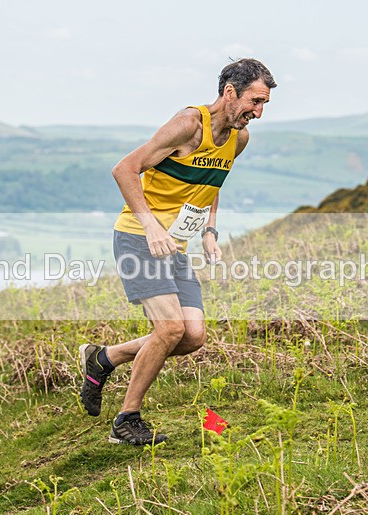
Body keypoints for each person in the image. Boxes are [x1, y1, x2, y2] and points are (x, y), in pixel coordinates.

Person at [79, 59, 276, 445]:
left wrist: (210, 231)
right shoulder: (189, 124)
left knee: (192, 336)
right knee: (169, 328)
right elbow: (125, 169)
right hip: (139, 236)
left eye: (265, 104)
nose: (259, 112)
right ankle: (126, 420)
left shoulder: (238, 139)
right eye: (255, 101)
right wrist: (152, 225)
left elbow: (212, 180)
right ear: (230, 92)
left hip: (175, 245)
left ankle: (105, 358)